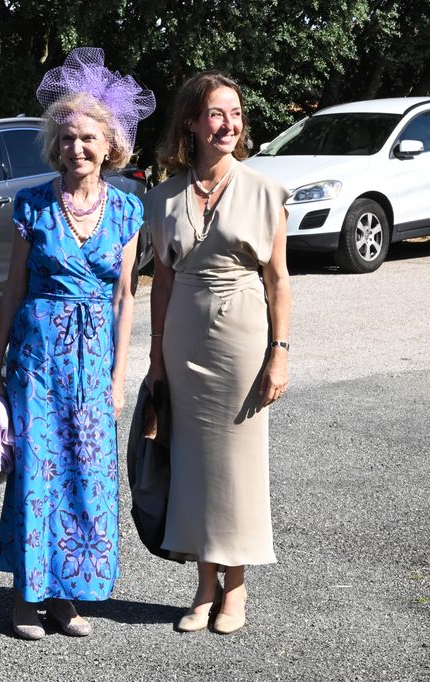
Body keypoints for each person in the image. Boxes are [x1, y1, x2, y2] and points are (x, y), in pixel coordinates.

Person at [0, 47, 154, 641]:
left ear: (110, 146)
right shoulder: (33, 206)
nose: (77, 149)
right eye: (68, 138)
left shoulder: (129, 209)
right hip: (37, 361)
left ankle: (67, 597)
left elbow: (127, 298)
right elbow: (11, 292)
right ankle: (26, 596)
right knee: (37, 476)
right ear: (56, 143)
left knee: (87, 476)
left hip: (93, 359)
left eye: (89, 139)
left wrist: (118, 378)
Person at [144, 71, 291, 635]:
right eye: (215, 113)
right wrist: (156, 360)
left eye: (235, 113)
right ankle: (203, 586)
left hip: (242, 340)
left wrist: (280, 352)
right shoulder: (163, 198)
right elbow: (160, 283)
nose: (228, 124)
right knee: (192, 464)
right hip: (183, 341)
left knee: (237, 465)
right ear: (191, 123)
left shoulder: (265, 191)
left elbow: (278, 279)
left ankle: (237, 588)